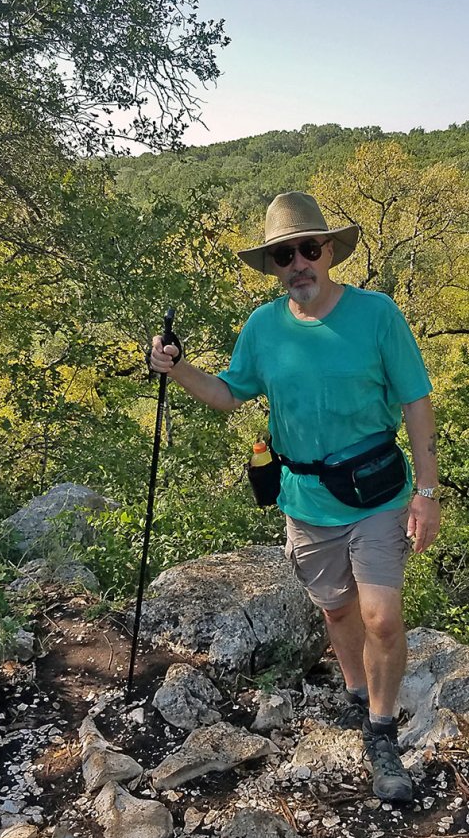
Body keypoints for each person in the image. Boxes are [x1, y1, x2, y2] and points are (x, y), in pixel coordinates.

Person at [150, 191, 440, 802]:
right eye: (285, 254)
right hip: (304, 500)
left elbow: (416, 399)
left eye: (309, 248)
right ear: (275, 264)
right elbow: (230, 393)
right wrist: (177, 370)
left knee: (381, 616)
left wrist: (427, 491)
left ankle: (382, 733)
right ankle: (358, 695)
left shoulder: (377, 314)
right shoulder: (263, 327)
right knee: (337, 612)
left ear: (329, 250)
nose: (299, 263)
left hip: (377, 491)